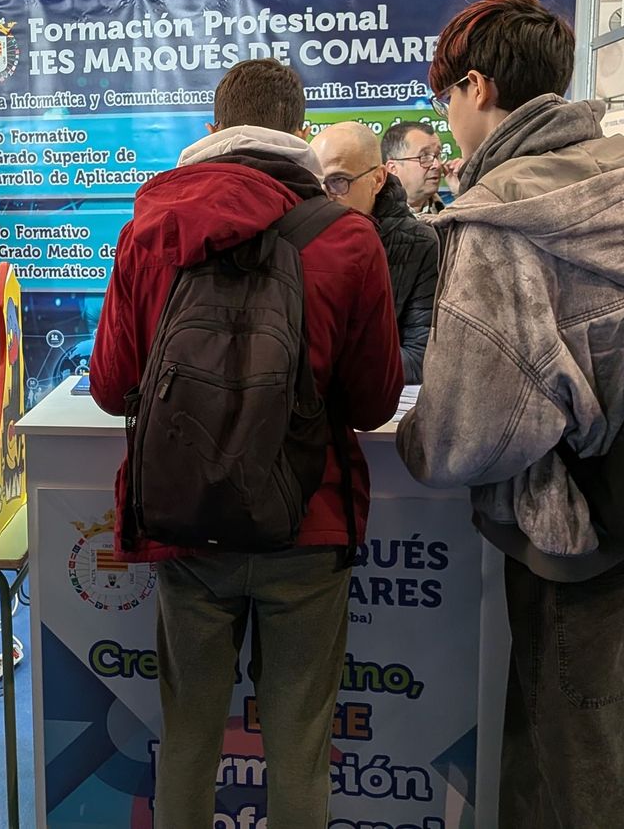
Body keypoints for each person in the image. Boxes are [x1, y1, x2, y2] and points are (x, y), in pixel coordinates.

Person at [396, 0, 624, 828]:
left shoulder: (501, 219)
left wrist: (413, 438)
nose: (447, 118)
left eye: (446, 96)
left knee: (574, 785)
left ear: (478, 87)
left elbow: (466, 436)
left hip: (573, 541)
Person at [90, 59, 403, 828]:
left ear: (212, 130)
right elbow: (373, 404)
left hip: (187, 524)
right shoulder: (349, 237)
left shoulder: (149, 230)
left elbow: (110, 385)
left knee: (189, 739)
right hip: (308, 522)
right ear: (300, 134)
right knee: (299, 748)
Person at [311, 121, 440, 383]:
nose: (323, 196)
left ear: (378, 179)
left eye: (338, 181)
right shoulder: (299, 236)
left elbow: (420, 358)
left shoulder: (420, 244)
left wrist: (329, 362)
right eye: (314, 183)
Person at [380, 121, 450, 214]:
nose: (437, 165)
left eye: (437, 155)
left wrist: (461, 194)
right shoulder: (372, 217)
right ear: (393, 168)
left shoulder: (448, 213)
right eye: (424, 156)